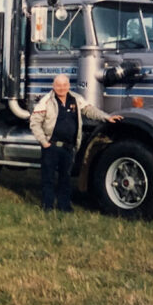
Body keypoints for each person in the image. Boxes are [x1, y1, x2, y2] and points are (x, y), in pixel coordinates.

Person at [29, 74, 123, 212]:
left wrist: (107, 117)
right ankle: (47, 206)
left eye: (64, 85)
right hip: (51, 146)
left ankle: (64, 206)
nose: (62, 88)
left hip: (68, 147)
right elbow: (34, 122)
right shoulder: (46, 101)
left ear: (68, 86)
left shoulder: (76, 99)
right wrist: (44, 142)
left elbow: (90, 110)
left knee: (65, 178)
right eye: (59, 86)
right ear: (53, 87)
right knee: (48, 178)